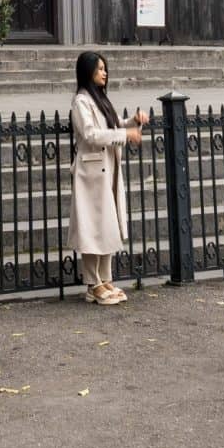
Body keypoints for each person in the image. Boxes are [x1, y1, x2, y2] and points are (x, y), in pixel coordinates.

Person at [69, 51, 147, 306]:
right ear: (88, 71)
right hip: (91, 172)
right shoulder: (81, 101)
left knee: (108, 224)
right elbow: (91, 135)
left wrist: (132, 122)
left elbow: (112, 126)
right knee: (93, 227)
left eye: (105, 68)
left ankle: (105, 277)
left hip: (108, 168)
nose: (105, 73)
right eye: (100, 68)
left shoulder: (100, 99)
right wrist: (126, 136)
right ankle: (93, 283)